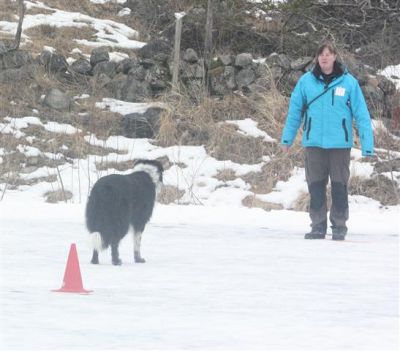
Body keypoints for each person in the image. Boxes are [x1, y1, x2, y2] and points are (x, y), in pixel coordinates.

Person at [280, 41, 374, 240]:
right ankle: (318, 225)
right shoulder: (306, 81)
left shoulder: (349, 83)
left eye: (328, 54)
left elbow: (362, 114)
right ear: (317, 58)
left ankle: (339, 226)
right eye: (321, 54)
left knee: (339, 185)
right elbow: (295, 111)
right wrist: (287, 138)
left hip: (340, 144)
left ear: (334, 57)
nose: (324, 57)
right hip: (314, 142)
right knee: (315, 185)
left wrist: (367, 145)